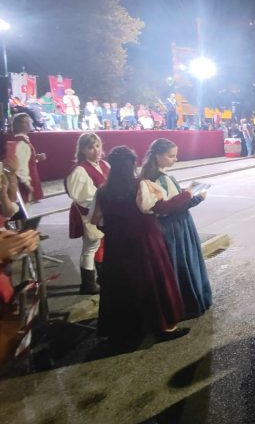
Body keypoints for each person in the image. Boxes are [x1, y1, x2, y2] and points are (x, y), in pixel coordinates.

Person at [90, 146, 189, 346]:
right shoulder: (141, 186)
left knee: (121, 286)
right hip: (145, 242)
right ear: (132, 165)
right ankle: (164, 327)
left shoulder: (102, 191)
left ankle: (124, 330)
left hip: (117, 245)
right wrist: (186, 195)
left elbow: (96, 220)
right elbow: (160, 207)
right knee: (154, 283)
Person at [139, 139, 213, 319]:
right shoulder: (158, 179)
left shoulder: (155, 176)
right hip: (175, 227)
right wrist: (196, 197)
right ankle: (187, 304)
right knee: (182, 264)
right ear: (158, 156)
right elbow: (170, 207)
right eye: (171, 155)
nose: (175, 159)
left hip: (176, 225)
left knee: (181, 264)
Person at [65, 133, 110, 294]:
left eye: (97, 146)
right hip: (88, 215)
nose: (95, 150)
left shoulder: (104, 164)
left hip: (104, 213)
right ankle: (87, 284)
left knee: (101, 245)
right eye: (90, 147)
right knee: (90, 248)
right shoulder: (80, 170)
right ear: (83, 150)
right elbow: (78, 195)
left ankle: (102, 277)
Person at [10, 113, 46, 203]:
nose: (30, 122)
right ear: (22, 125)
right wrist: (27, 184)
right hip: (26, 187)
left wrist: (35, 158)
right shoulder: (22, 143)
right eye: (28, 121)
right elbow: (20, 166)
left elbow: (25, 161)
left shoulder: (22, 141)